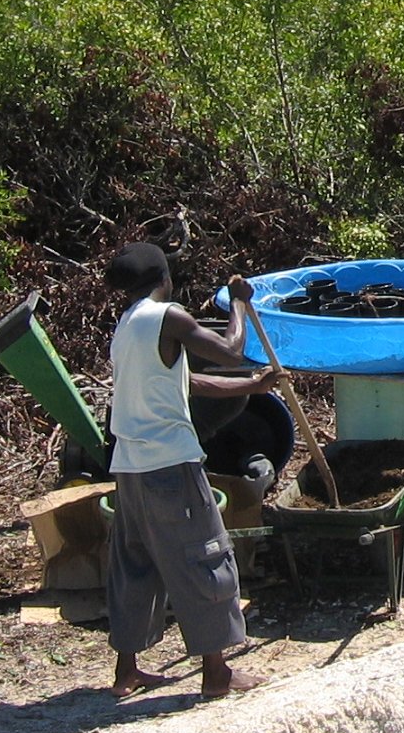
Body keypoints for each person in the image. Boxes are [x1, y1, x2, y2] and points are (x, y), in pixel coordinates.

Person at [102, 241, 284, 700]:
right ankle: (217, 673)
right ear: (165, 278)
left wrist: (253, 386)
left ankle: (127, 672)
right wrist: (240, 301)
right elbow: (229, 348)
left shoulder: (127, 327)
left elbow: (187, 382)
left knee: (136, 564)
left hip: (129, 468)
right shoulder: (169, 317)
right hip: (170, 464)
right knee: (204, 559)